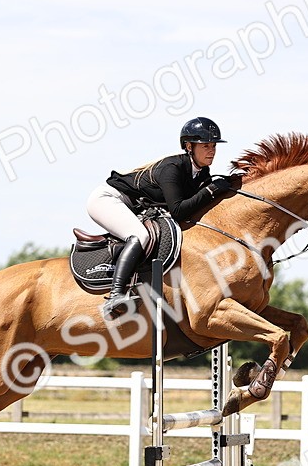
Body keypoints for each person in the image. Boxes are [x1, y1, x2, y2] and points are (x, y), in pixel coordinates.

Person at [85, 117, 242, 319]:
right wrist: (211, 190)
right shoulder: (172, 168)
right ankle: (115, 295)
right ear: (189, 146)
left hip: (132, 205)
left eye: (213, 146)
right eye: (205, 145)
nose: (211, 150)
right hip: (108, 199)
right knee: (140, 235)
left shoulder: (202, 172)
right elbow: (178, 211)